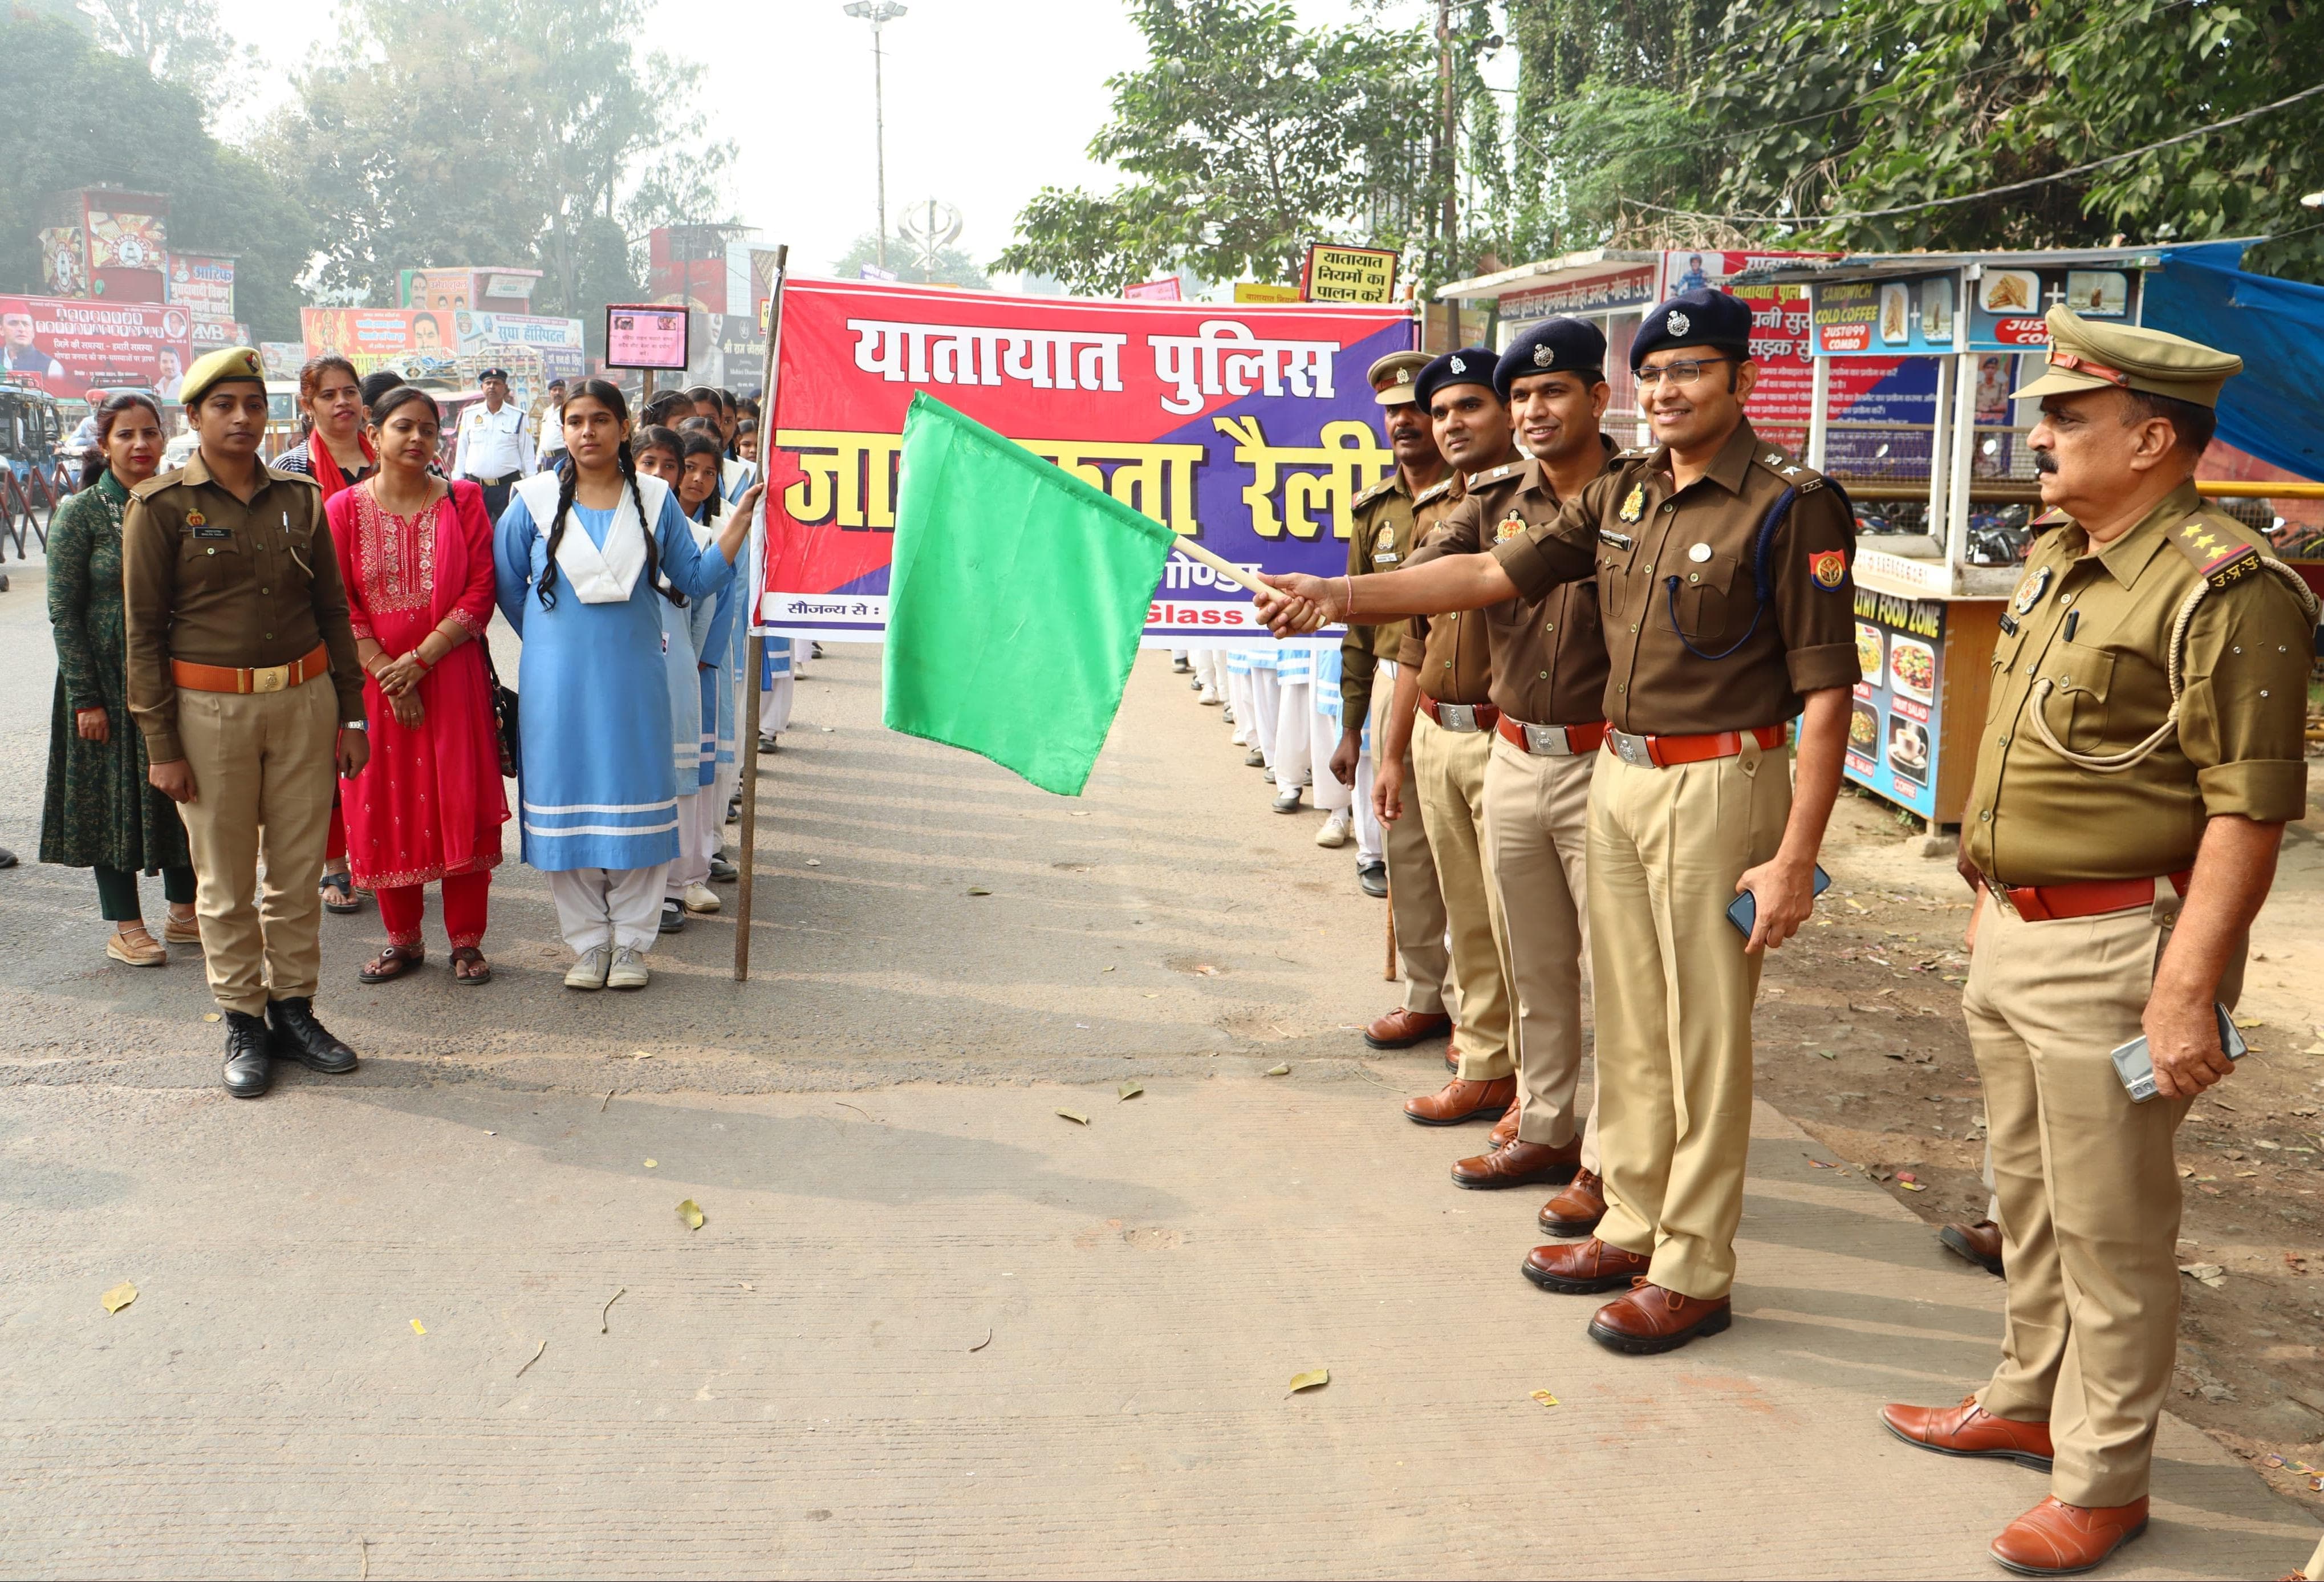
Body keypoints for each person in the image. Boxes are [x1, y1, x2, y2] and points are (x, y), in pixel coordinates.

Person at [1256, 290, 1859, 1356]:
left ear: (1741, 382)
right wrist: (1339, 593)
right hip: (1617, 774)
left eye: (1694, 374)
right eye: (1656, 376)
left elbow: (1824, 693)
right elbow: (1490, 570)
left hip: (1720, 782)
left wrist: (1796, 856)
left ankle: (1694, 1263)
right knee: (1627, 1017)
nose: (1668, 392)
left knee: (1700, 1032)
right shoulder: (1624, 494)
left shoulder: (1787, 502)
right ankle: (1629, 1218)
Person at [1878, 310, 2315, 1577]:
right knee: (2029, 1200)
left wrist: (2186, 990)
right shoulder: (2068, 555)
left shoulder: (2226, 586)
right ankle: (2024, 1397)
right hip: (2016, 932)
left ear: (2153, 436)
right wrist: (1985, 890)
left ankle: (2104, 1476)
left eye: (2069, 417)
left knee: (2112, 1229)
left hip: (2122, 948)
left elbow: (2249, 808)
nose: (2040, 434)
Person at [1407, 319, 1616, 1220]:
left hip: (1614, 759)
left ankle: (1615, 1156)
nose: (1533, 409)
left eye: (1552, 391)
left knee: (1623, 981)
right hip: (1517, 750)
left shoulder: (1641, 497)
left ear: (1601, 398)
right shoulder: (1493, 499)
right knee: (1532, 959)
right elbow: (1428, 575)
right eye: (1521, 394)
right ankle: (1547, 1122)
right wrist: (1333, 595)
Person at [121, 347, 370, 1100]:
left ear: (271, 416)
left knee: (296, 877)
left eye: (253, 405)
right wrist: (162, 744)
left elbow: (332, 611)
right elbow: (142, 635)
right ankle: (243, 1018)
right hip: (209, 714)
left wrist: (352, 712)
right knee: (225, 885)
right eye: (223, 405)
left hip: (304, 702)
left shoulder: (299, 498)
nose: (241, 418)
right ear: (192, 418)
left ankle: (295, 1011)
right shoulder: (161, 508)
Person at [492, 379, 751, 991]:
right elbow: (508, 587)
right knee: (566, 802)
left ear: (623, 425)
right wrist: (555, 641)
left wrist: (737, 526)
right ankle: (585, 942)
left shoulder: (657, 499)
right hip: (556, 680)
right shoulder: (528, 501)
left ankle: (632, 941)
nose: (588, 432)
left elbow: (694, 576)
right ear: (562, 427)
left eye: (601, 419)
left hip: (637, 675)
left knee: (639, 796)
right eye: (576, 420)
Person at [1377, 348, 1522, 1130]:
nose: (1452, 424)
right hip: (1439, 728)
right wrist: (1394, 751)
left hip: (1510, 738)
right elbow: (1411, 641)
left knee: (1520, 925)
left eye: (1471, 406)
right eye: (1441, 413)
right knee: (1467, 913)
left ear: (1506, 414)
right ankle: (1485, 1060)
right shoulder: (1437, 515)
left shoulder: (1548, 505)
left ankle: (1536, 1082)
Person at [326, 386, 509, 986]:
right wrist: (387, 670)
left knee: (459, 799)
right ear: (372, 436)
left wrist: (420, 661)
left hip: (451, 676)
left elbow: (481, 590)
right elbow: (336, 603)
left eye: (428, 430)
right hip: (375, 687)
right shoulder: (342, 511)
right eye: (403, 427)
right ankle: (403, 940)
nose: (416, 439)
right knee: (385, 804)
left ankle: (466, 942)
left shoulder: (463, 500)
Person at [40, 393, 198, 966]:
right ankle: (126, 924)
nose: (140, 445)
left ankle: (185, 911)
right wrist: (86, 697)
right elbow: (65, 612)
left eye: (150, 433)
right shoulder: (79, 513)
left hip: (176, 673)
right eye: (126, 435)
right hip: (105, 681)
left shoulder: (181, 505)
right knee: (112, 801)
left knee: (182, 789)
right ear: (103, 444)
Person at [1336, 349, 1452, 948]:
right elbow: (1356, 630)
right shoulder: (1372, 510)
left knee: (1460, 847)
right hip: (1389, 683)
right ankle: (1421, 991)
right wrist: (1350, 729)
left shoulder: (1473, 499)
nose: (1402, 421)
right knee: (1402, 842)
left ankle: (1473, 1000)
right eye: (1391, 411)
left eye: (1414, 408)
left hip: (1459, 684)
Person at [273, 354, 379, 917]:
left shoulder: (389, 454)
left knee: (386, 743)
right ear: (308, 404)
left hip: (389, 622)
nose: (342, 403)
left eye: (350, 392)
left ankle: (388, 854)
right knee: (329, 745)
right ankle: (335, 863)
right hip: (317, 624)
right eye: (328, 394)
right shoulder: (290, 467)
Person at [632, 425, 714, 931]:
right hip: (622, 667)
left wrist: (685, 660)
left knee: (677, 776)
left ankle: (671, 888)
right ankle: (626, 887)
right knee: (631, 775)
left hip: (677, 664)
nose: (660, 475)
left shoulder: (701, 538)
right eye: (648, 463)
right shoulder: (606, 524)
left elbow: (704, 613)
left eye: (670, 465)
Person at [678, 431, 745, 894]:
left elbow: (726, 600)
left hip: (698, 665)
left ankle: (695, 865)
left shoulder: (718, 530)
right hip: (648, 664)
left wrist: (701, 658)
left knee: (700, 769)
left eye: (709, 472)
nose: (697, 479)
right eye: (689, 468)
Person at [452, 368, 536, 522]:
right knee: (476, 534)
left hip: (508, 487)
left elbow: (527, 454)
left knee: (508, 534)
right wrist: (458, 482)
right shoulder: (470, 415)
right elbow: (462, 451)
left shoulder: (518, 417)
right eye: (488, 383)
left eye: (496, 383)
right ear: (482, 388)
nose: (492, 387)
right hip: (476, 487)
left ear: (505, 388)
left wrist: (532, 486)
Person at [1, 299, 65, 380]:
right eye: (14, 323)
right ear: (1, 330)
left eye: (26, 324)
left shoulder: (51, 367)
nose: (21, 329)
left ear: (33, 332)